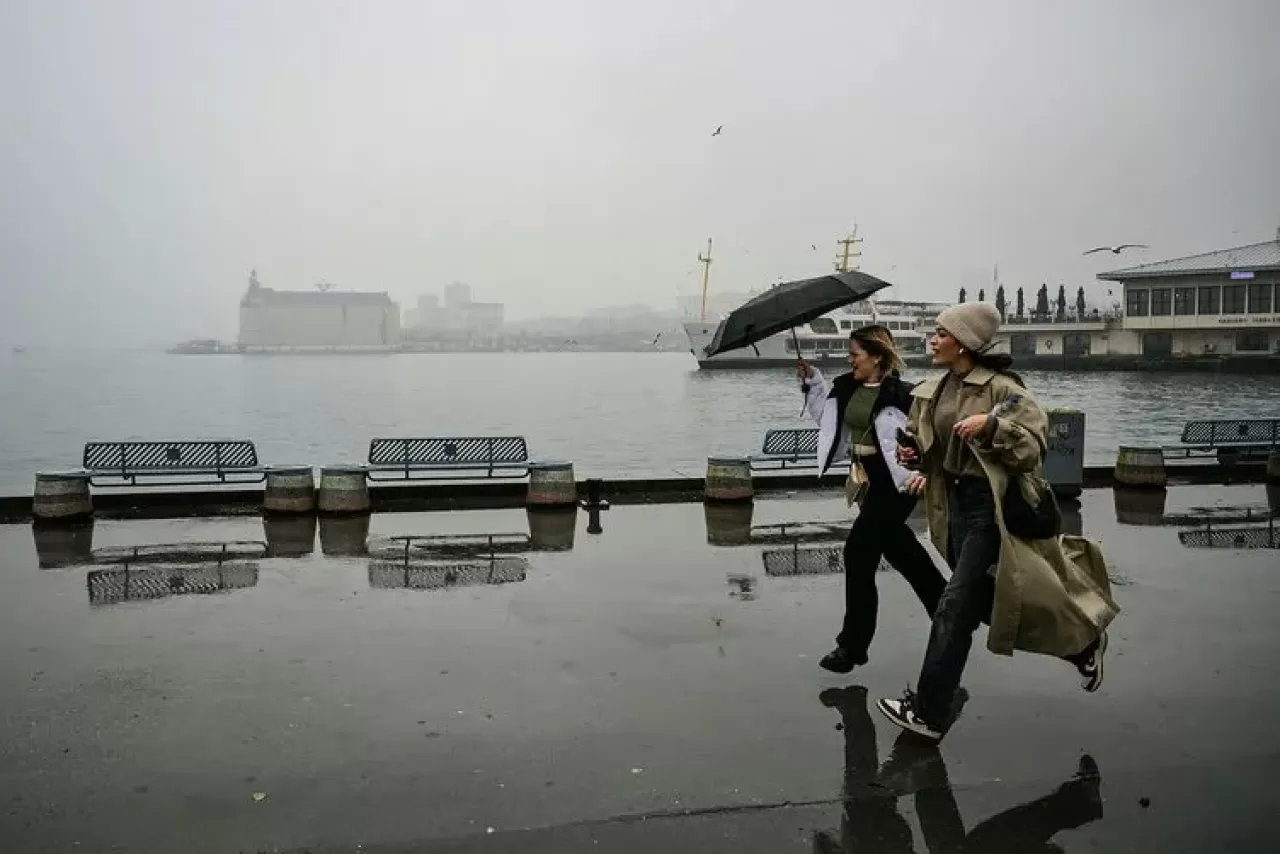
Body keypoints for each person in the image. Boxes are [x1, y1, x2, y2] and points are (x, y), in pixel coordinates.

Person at [876, 302, 1119, 741]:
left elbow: (1032, 450)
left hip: (990, 509)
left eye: (941, 333)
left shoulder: (1004, 390)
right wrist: (914, 455)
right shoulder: (934, 389)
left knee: (954, 605)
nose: (932, 339)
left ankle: (928, 712)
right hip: (950, 506)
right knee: (980, 606)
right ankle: (1082, 645)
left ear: (965, 342)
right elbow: (931, 451)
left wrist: (992, 426)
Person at [797, 325, 947, 674]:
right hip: (866, 479)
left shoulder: (904, 395)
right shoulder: (846, 387)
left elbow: (926, 441)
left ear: (877, 356)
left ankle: (851, 647)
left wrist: (921, 474)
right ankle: (952, 613)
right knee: (905, 555)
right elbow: (828, 422)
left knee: (858, 552)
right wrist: (812, 381)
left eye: (855, 355)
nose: (850, 361)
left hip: (894, 482)